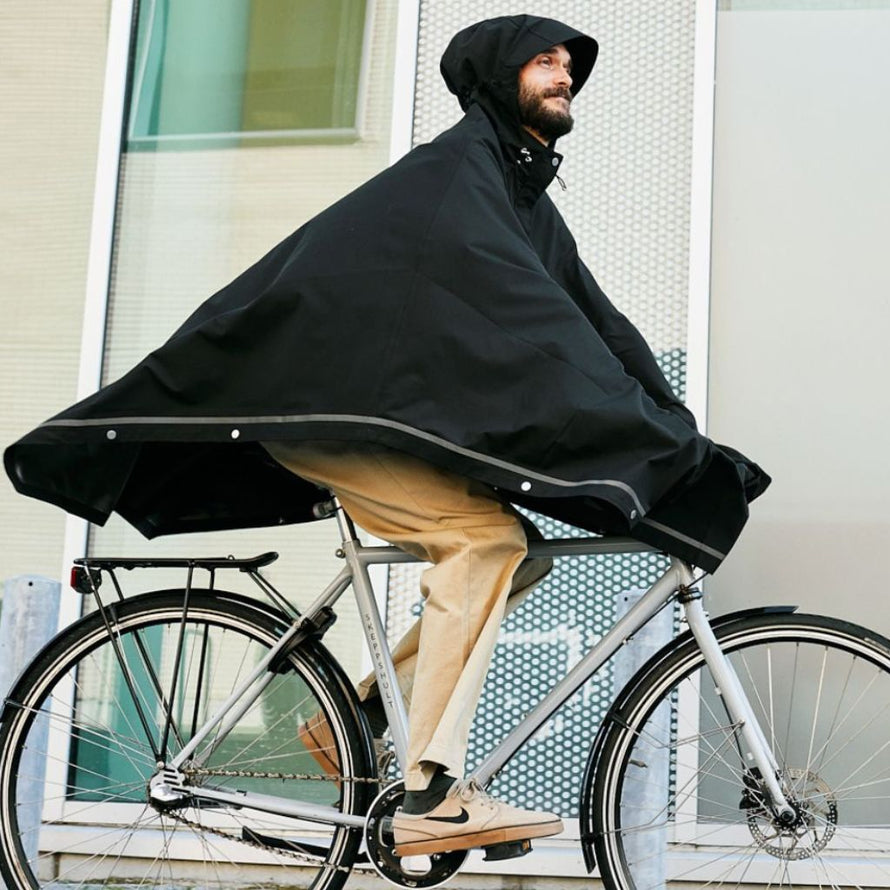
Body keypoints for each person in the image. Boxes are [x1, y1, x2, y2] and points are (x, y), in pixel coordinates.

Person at [4, 14, 770, 858]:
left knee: (525, 551)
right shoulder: (457, 177)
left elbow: (598, 326)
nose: (562, 76)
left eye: (568, 65)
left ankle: (357, 724)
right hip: (320, 406)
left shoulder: (518, 193)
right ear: (496, 75)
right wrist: (636, 433)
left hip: (367, 414)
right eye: (542, 62)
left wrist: (677, 431)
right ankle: (431, 796)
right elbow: (533, 324)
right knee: (482, 542)